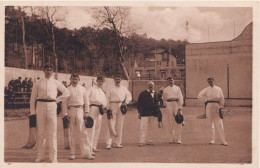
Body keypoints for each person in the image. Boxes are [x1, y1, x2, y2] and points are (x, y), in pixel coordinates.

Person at [30, 64, 70, 163]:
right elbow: (32, 99)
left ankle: (53, 157)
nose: (49, 71)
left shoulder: (56, 82)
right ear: (43, 70)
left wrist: (57, 99)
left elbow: (67, 93)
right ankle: (40, 156)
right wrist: (32, 112)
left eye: (51, 70)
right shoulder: (38, 82)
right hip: (40, 106)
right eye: (47, 69)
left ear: (53, 71)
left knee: (52, 132)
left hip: (52, 106)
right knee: (41, 132)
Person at [62, 74, 94, 160]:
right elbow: (64, 102)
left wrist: (86, 112)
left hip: (80, 110)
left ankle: (87, 152)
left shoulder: (82, 89)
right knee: (72, 133)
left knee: (83, 132)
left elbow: (86, 101)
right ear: (70, 80)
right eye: (73, 79)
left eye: (76, 79)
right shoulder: (67, 89)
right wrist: (65, 114)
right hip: (71, 111)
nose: (74, 80)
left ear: (79, 80)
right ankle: (72, 153)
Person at [197, 78, 228, 146]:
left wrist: (221, 105)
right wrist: (205, 100)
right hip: (209, 106)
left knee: (219, 123)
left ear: (214, 81)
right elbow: (199, 96)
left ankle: (223, 140)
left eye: (212, 81)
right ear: (208, 82)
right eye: (209, 82)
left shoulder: (218, 89)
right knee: (210, 123)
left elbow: (222, 98)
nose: (211, 82)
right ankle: (212, 139)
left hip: (216, 105)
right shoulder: (206, 89)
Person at [105, 75, 132, 149]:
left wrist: (125, 103)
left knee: (120, 124)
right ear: (114, 80)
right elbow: (107, 98)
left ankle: (117, 142)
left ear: (121, 80)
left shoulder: (124, 88)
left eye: (119, 79)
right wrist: (108, 107)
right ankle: (108, 143)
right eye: (116, 79)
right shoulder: (110, 88)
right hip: (112, 105)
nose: (118, 80)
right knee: (111, 124)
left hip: (121, 105)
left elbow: (129, 96)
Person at [85, 76, 107, 154]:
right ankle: (88, 148)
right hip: (92, 108)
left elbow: (104, 102)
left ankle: (94, 146)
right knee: (91, 129)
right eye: (99, 81)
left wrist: (105, 108)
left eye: (102, 81)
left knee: (97, 129)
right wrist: (87, 109)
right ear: (96, 81)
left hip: (100, 110)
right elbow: (86, 98)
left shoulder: (102, 91)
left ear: (103, 82)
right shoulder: (91, 89)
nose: (100, 82)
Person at [137, 81, 160, 147]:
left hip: (153, 113)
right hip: (144, 113)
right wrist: (139, 112)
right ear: (147, 86)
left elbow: (158, 103)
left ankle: (150, 140)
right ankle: (142, 141)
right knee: (143, 127)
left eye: (152, 85)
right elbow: (139, 103)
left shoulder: (156, 94)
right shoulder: (143, 94)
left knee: (151, 127)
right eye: (149, 85)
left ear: (154, 86)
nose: (150, 86)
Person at [162, 77, 184, 144]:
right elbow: (163, 98)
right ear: (167, 82)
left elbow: (180, 97)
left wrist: (180, 107)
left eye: (171, 80)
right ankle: (172, 139)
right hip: (169, 104)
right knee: (169, 121)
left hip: (176, 104)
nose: (170, 82)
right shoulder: (166, 89)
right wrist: (166, 104)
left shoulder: (177, 88)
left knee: (178, 121)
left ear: (173, 81)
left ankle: (179, 139)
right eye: (169, 81)